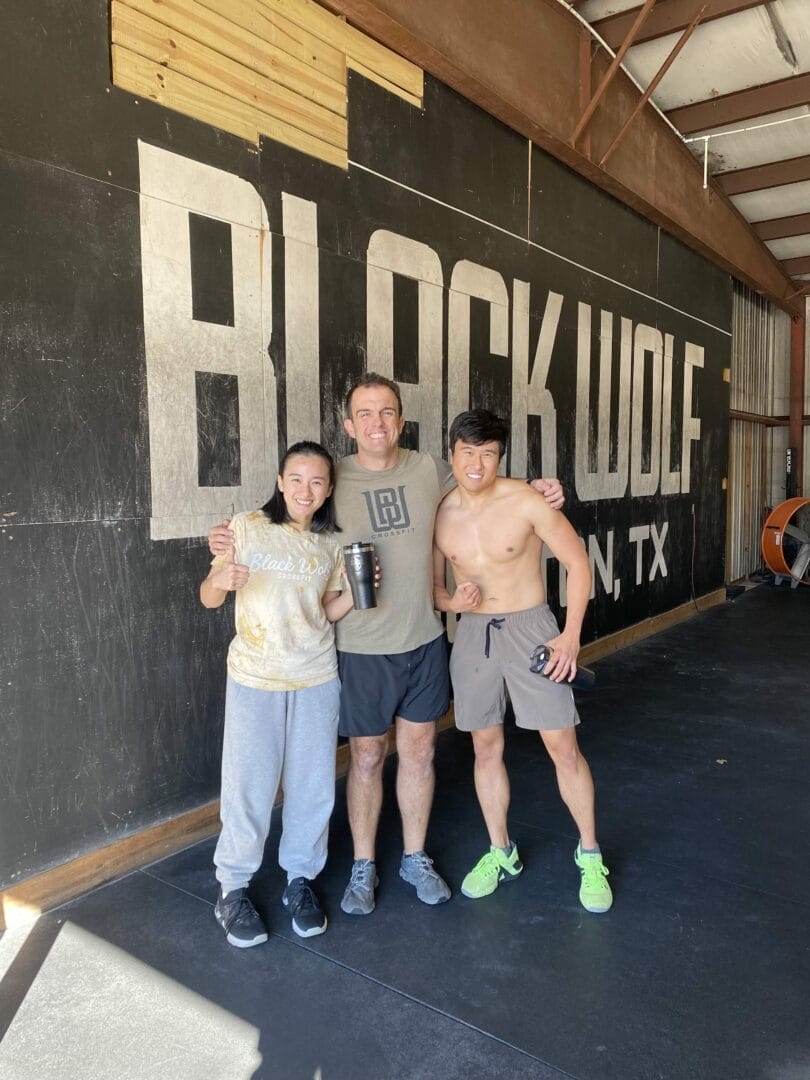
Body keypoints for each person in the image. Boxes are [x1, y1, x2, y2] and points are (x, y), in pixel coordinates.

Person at [210, 374, 563, 917]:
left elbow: (480, 473)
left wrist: (539, 488)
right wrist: (228, 540)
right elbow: (286, 520)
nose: (378, 423)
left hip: (422, 639)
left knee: (420, 751)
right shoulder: (332, 479)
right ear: (349, 425)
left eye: (388, 413)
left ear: (401, 420)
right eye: (366, 414)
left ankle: (415, 856)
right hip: (357, 648)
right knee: (369, 756)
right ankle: (363, 864)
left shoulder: (427, 469)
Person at [432, 409, 612, 914]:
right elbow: (435, 589)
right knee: (485, 748)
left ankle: (590, 852)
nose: (477, 463)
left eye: (488, 454)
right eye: (468, 452)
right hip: (472, 636)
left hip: (533, 629)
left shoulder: (527, 500)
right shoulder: (440, 512)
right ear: (452, 453)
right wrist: (452, 604)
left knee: (562, 746)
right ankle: (500, 850)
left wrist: (571, 636)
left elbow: (578, 562)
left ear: (499, 458)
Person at [201, 441, 356, 947]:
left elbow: (324, 613)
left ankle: (300, 880)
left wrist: (354, 593)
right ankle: (232, 889)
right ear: (280, 481)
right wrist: (222, 579)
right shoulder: (245, 528)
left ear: (328, 488)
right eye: (296, 479)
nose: (305, 490)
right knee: (249, 785)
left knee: (314, 786)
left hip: (315, 675)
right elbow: (208, 596)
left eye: (316, 482)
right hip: (255, 677)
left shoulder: (331, 543)